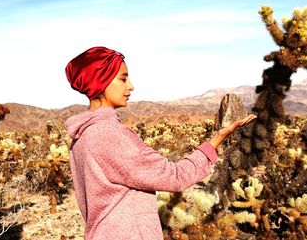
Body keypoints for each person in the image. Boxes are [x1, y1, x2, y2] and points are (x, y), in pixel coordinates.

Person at [64, 46, 256, 239]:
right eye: (123, 79)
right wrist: (217, 139)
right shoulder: (110, 134)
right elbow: (174, 177)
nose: (130, 86)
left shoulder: (81, 136)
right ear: (101, 82)